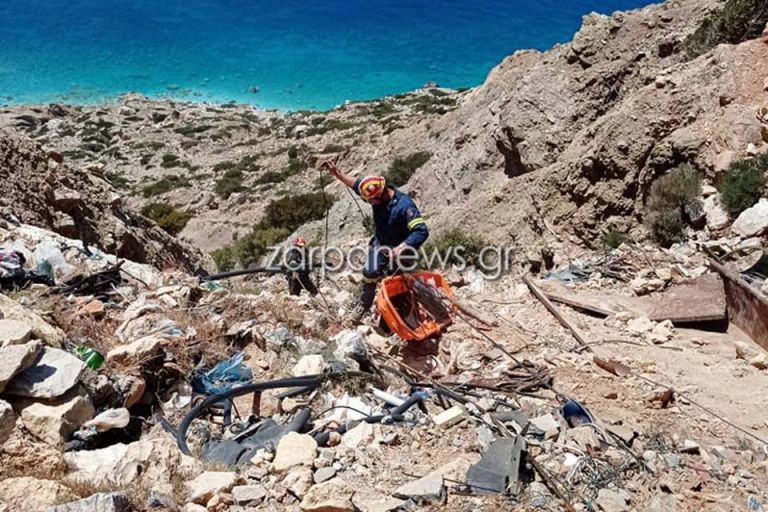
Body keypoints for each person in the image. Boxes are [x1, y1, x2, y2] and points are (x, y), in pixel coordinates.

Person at [322, 160, 429, 324]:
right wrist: (337, 173)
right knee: (369, 272)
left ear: (383, 193)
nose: (370, 203)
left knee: (399, 285)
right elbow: (355, 184)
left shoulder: (405, 206)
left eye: (372, 201)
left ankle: (404, 313)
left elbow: (421, 231)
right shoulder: (374, 194)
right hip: (381, 244)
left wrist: (401, 248)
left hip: (403, 248)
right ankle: (364, 304)